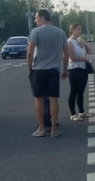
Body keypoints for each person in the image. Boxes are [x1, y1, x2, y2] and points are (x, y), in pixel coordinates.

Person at [27, 9, 70, 138]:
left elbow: (29, 53)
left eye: (36, 18)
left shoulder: (35, 32)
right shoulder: (60, 32)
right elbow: (66, 54)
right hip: (54, 70)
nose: (35, 20)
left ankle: (41, 129)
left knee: (39, 100)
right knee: (53, 99)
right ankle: (53, 129)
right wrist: (65, 70)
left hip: (38, 70)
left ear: (42, 17)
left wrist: (29, 69)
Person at [67, 22, 91, 121]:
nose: (80, 31)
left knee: (81, 91)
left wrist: (85, 44)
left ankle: (81, 112)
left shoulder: (79, 41)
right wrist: (84, 59)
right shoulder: (69, 42)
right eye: (78, 29)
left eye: (80, 29)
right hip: (74, 69)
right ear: (72, 30)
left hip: (83, 68)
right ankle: (73, 114)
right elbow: (72, 57)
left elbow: (90, 52)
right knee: (74, 91)